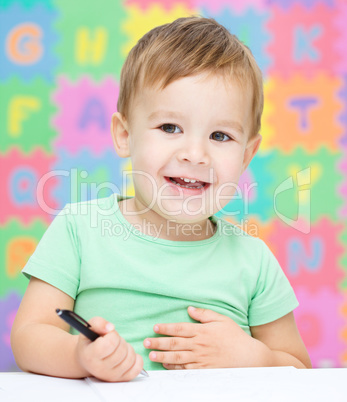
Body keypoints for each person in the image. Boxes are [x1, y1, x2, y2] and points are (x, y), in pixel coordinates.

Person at [11, 16, 312, 382]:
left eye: (220, 136)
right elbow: (29, 337)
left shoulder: (254, 261)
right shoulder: (79, 230)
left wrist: (257, 358)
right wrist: (80, 355)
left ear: (247, 155)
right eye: (170, 128)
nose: (195, 154)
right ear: (124, 135)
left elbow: (302, 371)